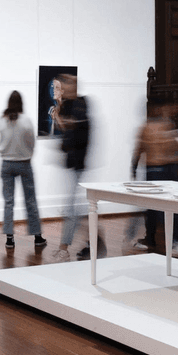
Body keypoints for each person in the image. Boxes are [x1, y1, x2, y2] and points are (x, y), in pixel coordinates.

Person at [127, 98, 178, 259]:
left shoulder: (149, 127)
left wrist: (134, 167)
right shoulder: (161, 126)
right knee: (165, 207)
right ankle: (174, 242)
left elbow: (139, 149)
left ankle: (153, 239)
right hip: (161, 170)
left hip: (158, 170)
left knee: (153, 208)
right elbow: (167, 148)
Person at [52, 75, 105, 262]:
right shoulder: (68, 105)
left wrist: (59, 116)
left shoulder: (82, 104)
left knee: (71, 209)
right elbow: (66, 129)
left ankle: (64, 248)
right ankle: (96, 242)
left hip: (78, 165)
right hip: (71, 163)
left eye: (65, 85)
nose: (63, 88)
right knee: (78, 210)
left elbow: (73, 126)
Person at [0, 91, 46, 250]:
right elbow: (31, 142)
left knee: (8, 202)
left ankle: (9, 239)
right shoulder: (26, 121)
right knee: (30, 200)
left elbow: (0, 141)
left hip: (6, 164)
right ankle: (37, 237)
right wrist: (27, 153)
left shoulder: (2, 120)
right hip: (24, 163)